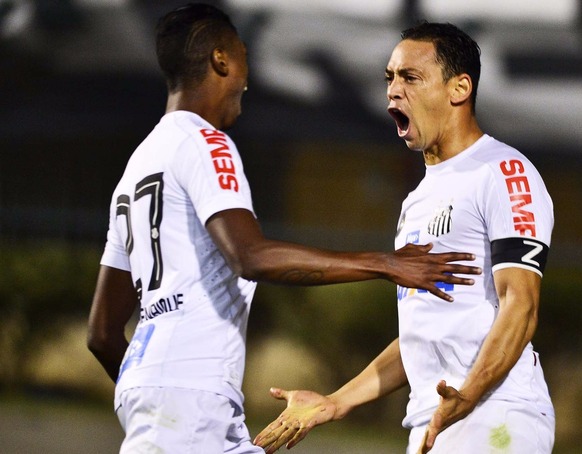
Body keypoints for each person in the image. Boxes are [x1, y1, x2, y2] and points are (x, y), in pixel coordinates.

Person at [86, 5, 482, 453]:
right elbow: (250, 256)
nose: (248, 77)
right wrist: (386, 263)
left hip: (168, 393)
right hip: (190, 399)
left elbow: (102, 333)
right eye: (243, 56)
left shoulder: (137, 167)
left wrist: (154, 386)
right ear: (221, 60)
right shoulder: (206, 142)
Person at [254, 21, 555, 454]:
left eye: (410, 77)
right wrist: (335, 402)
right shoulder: (417, 201)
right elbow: (423, 334)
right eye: (390, 78)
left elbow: (520, 306)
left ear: (459, 88)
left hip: (497, 414)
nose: (393, 91)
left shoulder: (504, 172)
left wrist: (468, 397)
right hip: (435, 421)